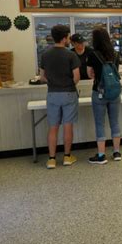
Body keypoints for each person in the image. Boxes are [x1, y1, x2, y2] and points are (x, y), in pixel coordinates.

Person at [40, 25, 80, 169]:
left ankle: (51, 159)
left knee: (53, 127)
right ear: (64, 39)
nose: (69, 40)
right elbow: (76, 77)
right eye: (69, 37)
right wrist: (67, 85)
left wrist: (53, 83)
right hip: (69, 93)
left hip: (52, 94)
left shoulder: (45, 54)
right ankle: (67, 157)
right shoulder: (71, 55)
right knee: (67, 127)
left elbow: (42, 77)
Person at [86, 28, 122, 165]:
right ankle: (117, 152)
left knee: (100, 124)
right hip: (114, 93)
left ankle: (101, 155)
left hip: (99, 92)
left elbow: (90, 74)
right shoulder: (115, 54)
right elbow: (115, 72)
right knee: (115, 122)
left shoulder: (92, 54)